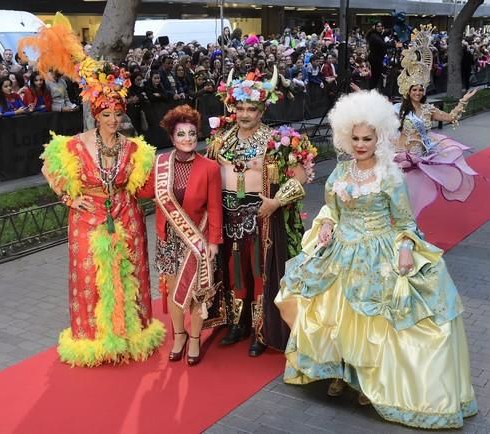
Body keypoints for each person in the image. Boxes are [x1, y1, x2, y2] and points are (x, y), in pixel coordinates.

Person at [275, 90, 477, 429]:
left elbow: (404, 221)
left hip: (378, 252)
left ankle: (367, 381)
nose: (360, 144)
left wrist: (405, 247)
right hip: (342, 252)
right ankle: (342, 371)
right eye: (354, 138)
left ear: (379, 137)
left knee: (373, 325)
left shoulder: (389, 175)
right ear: (344, 137)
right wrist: (325, 225)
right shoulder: (339, 173)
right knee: (338, 319)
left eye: (367, 138)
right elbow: (330, 210)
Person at [22, 13, 165, 367]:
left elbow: (146, 186)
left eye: (118, 114)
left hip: (127, 218)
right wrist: (71, 197)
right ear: (95, 115)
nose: (114, 120)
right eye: (107, 115)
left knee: (128, 276)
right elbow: (51, 170)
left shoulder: (135, 149)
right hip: (87, 221)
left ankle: (132, 335)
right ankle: (94, 341)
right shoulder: (72, 146)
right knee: (91, 279)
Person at [207, 67, 317, 357]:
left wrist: (277, 202)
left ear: (262, 109)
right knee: (233, 272)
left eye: (251, 108)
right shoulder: (220, 139)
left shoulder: (278, 140)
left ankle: (261, 329)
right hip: (228, 215)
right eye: (240, 107)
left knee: (260, 273)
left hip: (262, 216)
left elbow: (302, 174)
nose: (244, 114)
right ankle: (236, 323)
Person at [139, 105, 223, 366]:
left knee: (197, 291)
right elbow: (143, 193)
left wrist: (213, 242)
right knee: (175, 291)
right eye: (181, 135)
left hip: (197, 238)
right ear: (171, 138)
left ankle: (196, 338)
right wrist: (137, 167)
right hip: (168, 239)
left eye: (191, 134)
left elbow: (214, 207)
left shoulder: (209, 167)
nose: (187, 139)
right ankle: (179, 335)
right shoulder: (160, 164)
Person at [394, 27, 478, 217]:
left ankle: (411, 231)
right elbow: (380, 114)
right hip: (401, 159)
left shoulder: (428, 110)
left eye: (420, 90)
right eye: (414, 90)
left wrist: (463, 100)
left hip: (422, 160)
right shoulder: (399, 109)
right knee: (399, 196)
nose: (417, 93)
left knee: (415, 198)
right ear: (408, 91)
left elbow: (451, 117)